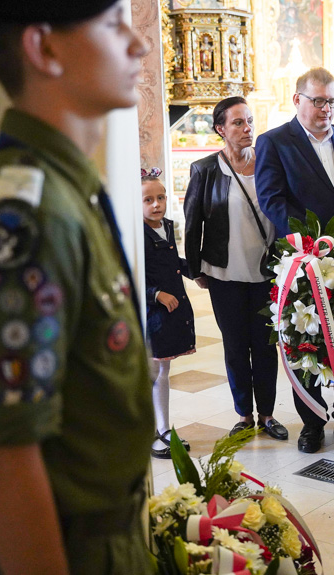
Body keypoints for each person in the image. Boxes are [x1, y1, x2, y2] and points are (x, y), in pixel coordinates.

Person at [0, 1, 154, 573]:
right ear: (44, 48)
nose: (139, 45)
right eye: (111, 25)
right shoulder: (25, 218)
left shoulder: (64, 193)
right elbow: (6, 457)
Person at [255, 67, 334, 453]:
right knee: (305, 340)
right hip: (302, 260)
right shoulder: (274, 142)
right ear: (298, 100)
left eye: (332, 101)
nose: (326, 109)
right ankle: (312, 422)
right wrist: (308, 241)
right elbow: (271, 198)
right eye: (319, 101)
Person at [183, 97, 286, 441]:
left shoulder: (270, 164)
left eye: (250, 122)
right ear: (220, 129)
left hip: (267, 273)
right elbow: (192, 221)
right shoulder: (206, 169)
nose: (247, 129)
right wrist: (195, 266)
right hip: (224, 274)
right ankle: (244, 415)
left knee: (265, 344)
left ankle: (268, 414)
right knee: (236, 345)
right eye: (238, 123)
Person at [142, 169, 195, 458]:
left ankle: (163, 428)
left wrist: (194, 273)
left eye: (160, 197)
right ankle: (153, 431)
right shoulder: (139, 232)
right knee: (154, 372)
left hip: (171, 313)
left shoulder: (167, 226)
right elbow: (133, 273)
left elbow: (173, 262)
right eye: (148, 199)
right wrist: (155, 294)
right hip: (153, 314)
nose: (156, 204)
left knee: (163, 370)